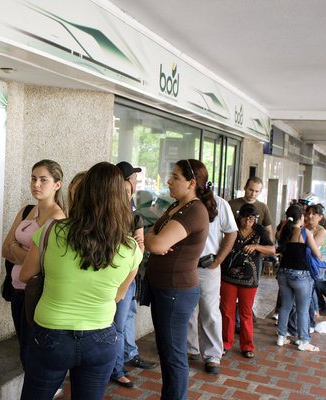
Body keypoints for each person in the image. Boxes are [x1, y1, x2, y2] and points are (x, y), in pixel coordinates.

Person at [19, 162, 141, 400]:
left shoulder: (53, 230)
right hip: (101, 337)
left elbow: (25, 275)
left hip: (50, 334)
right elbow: (118, 296)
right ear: (121, 198)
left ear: (84, 193)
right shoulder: (131, 248)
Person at [145, 159, 216, 400]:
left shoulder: (195, 210)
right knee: (166, 351)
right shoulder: (177, 206)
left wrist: (153, 239)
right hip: (164, 287)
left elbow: (155, 243)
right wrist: (153, 238)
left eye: (175, 177)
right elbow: (152, 236)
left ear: (192, 183)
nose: (169, 181)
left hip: (175, 290)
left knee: (173, 355)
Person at [1, 160, 65, 368]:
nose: (36, 184)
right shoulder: (27, 210)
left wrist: (15, 247)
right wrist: (27, 254)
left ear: (57, 184)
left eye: (43, 180)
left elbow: (41, 264)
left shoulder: (58, 218)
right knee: (23, 347)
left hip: (37, 294)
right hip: (17, 289)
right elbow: (4, 248)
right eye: (33, 178)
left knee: (34, 351)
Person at [110, 162, 154, 389]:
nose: (133, 187)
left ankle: (123, 360)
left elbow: (139, 248)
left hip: (130, 277)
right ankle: (115, 368)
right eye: (130, 183)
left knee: (124, 320)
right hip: (115, 279)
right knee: (116, 325)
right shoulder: (110, 215)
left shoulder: (134, 216)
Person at [186, 190, 237, 375]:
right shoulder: (183, 202)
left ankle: (212, 355)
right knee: (188, 309)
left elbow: (232, 232)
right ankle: (190, 348)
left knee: (210, 310)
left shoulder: (219, 203)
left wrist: (218, 260)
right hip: (186, 265)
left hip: (208, 266)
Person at [220, 204, 275, 359]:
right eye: (245, 217)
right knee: (227, 311)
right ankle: (226, 343)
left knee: (246, 313)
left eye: (252, 218)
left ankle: (247, 345)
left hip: (249, 279)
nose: (249, 221)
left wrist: (256, 246)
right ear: (240, 217)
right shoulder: (232, 228)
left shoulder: (259, 231)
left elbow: (272, 249)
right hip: (228, 276)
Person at [275, 204, 323, 352]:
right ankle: (304, 340)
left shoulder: (283, 232)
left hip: (283, 273)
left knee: (285, 306)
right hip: (301, 276)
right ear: (301, 217)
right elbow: (317, 254)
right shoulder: (305, 232)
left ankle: (281, 337)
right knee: (302, 309)